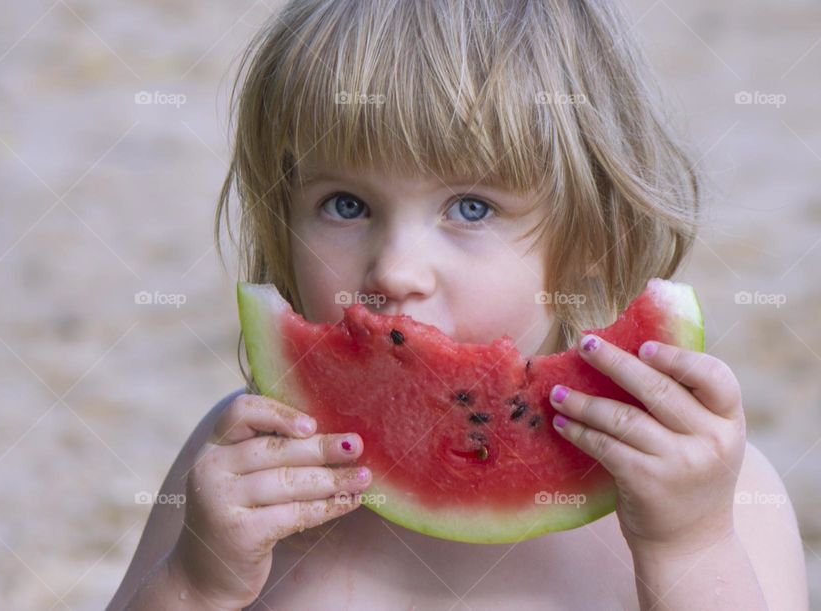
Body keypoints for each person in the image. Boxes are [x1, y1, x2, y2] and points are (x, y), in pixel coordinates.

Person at [109, 0, 808, 608]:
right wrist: (197, 583)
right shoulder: (240, 467)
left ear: (595, 231)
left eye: (470, 206)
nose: (397, 268)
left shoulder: (713, 487)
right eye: (345, 204)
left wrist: (688, 546)